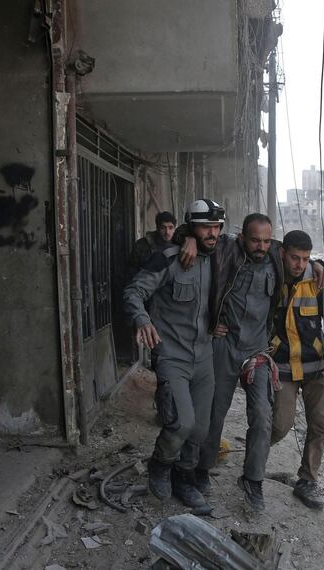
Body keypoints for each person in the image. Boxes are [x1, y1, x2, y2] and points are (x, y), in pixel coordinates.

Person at [175, 215, 324, 513]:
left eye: (266, 241)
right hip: (224, 347)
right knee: (214, 415)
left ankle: (253, 479)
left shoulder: (275, 254)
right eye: (254, 240)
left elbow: (298, 254)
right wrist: (187, 238)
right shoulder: (225, 249)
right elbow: (198, 234)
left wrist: (319, 264)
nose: (260, 246)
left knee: (262, 414)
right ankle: (201, 469)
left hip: (257, 351)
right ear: (241, 236)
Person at [122, 199, 225, 515]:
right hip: (172, 355)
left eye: (217, 227)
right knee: (181, 423)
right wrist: (142, 319)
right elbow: (133, 292)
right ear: (191, 226)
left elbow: (266, 249)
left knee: (201, 429)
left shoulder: (220, 257)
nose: (212, 233)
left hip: (204, 354)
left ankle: (185, 479)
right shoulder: (167, 259)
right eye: (205, 227)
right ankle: (160, 464)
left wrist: (314, 264)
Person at [270, 230, 324, 510]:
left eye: (305, 259)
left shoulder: (318, 282)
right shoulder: (269, 275)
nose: (299, 265)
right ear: (282, 253)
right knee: (279, 426)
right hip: (282, 367)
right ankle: (254, 459)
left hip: (317, 368)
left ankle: (307, 480)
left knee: (322, 424)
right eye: (294, 258)